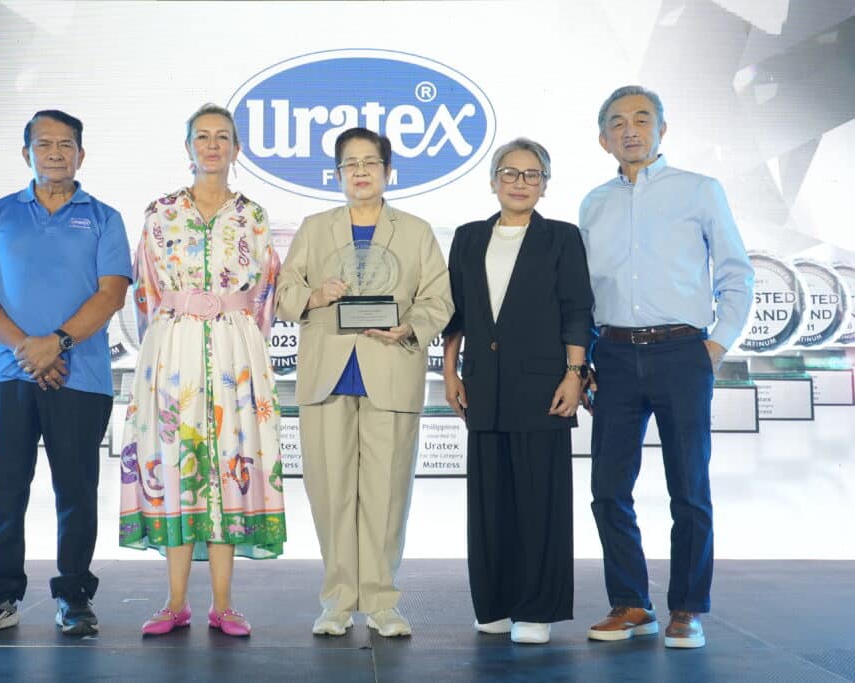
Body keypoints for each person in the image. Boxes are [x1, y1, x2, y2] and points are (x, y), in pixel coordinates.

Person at [580, 86, 754, 648]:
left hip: (682, 353)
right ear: (603, 139)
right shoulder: (593, 204)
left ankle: (687, 608)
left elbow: (736, 272)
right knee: (608, 489)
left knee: (689, 488)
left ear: (662, 129)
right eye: (617, 122)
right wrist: (585, 356)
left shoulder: (700, 190)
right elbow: (585, 292)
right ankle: (632, 602)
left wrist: (716, 345)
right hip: (612, 356)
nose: (630, 130)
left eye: (642, 119)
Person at [0, 109, 132, 637]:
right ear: (26, 153)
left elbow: (111, 293)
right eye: (44, 144)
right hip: (6, 374)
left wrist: (55, 344)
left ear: (81, 154)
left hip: (81, 376)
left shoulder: (104, 218)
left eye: (65, 144)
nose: (55, 153)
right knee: (3, 491)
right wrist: (27, 350)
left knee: (76, 491)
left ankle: (74, 595)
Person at [276, 127, 453, 638]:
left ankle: (382, 602)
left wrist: (410, 326)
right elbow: (283, 293)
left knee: (386, 495)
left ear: (388, 171)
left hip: (390, 368)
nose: (360, 172)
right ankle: (336, 601)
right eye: (349, 164)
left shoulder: (416, 231)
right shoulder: (315, 229)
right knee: (330, 494)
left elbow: (438, 299)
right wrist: (314, 295)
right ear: (336, 174)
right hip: (326, 375)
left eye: (370, 163)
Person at [118, 103, 285, 638]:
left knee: (229, 465)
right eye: (203, 136)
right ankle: (174, 602)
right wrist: (168, 336)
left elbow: (266, 293)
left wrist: (241, 338)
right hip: (174, 351)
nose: (213, 145)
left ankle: (224, 604)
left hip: (236, 351)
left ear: (237, 149)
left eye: (223, 137)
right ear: (188, 146)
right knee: (175, 464)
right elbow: (145, 290)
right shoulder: (161, 212)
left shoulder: (253, 216)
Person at [442, 138, 593, 645]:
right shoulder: (467, 237)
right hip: (483, 385)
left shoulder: (562, 238)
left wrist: (574, 373)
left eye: (532, 175)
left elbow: (577, 310)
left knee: (540, 501)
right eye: (510, 172)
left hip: (543, 387)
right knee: (489, 502)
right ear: (493, 181)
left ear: (545, 185)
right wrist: (450, 372)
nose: (520, 182)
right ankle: (494, 602)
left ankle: (536, 608)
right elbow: (456, 314)